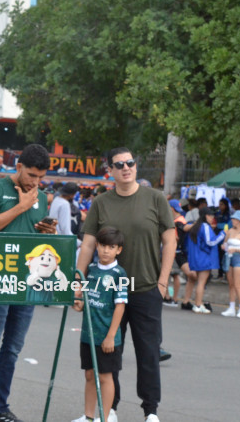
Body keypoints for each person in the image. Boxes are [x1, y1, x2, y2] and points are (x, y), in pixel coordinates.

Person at [77, 147, 175, 422]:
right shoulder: (101, 202)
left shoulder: (155, 199)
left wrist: (163, 281)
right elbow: (87, 244)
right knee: (109, 351)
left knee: (148, 352)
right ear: (110, 171)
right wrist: (79, 280)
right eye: (119, 165)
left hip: (145, 288)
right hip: (106, 294)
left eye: (130, 162)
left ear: (135, 166)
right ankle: (111, 409)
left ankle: (151, 411)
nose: (126, 168)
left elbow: (170, 240)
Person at [0, 143, 57, 422]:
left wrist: (47, 231)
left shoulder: (41, 197)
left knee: (13, 347)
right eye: (31, 175)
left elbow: (37, 238)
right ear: (18, 167)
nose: (35, 182)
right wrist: (20, 207)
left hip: (28, 281)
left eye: (41, 178)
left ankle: (1, 407)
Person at [72, 227, 128, 422]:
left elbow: (120, 307)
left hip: (107, 336)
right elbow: (85, 301)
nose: (106, 250)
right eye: (103, 246)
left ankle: (104, 417)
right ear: (96, 246)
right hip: (88, 334)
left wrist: (111, 336)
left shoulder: (119, 274)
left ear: (118, 250)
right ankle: (88, 416)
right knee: (89, 374)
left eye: (111, 247)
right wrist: (78, 304)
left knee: (105, 377)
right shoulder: (91, 270)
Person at [185, 207, 224, 313]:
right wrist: (222, 234)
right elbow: (210, 242)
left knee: (199, 282)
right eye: (211, 216)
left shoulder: (195, 226)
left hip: (196, 258)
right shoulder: (205, 226)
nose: (212, 218)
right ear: (206, 216)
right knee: (201, 283)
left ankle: (198, 304)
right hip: (204, 258)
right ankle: (198, 305)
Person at [167, 199, 198, 311]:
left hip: (176, 252)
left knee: (174, 275)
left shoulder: (179, 221)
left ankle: (174, 299)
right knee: (187, 275)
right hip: (177, 252)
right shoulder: (176, 219)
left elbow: (185, 227)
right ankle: (180, 300)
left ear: (171, 209)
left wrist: (196, 223)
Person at [220, 210, 240, 318]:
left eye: (234, 219)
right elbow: (225, 243)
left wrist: (236, 250)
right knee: (231, 285)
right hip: (229, 258)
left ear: (239, 220)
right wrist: (224, 246)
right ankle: (231, 307)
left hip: (239, 259)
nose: (232, 220)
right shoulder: (230, 231)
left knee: (237, 285)